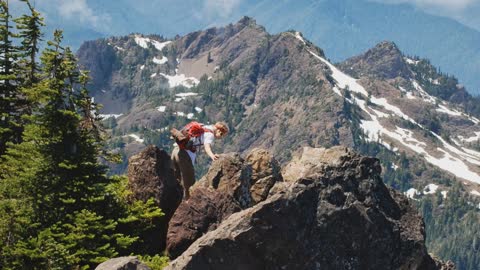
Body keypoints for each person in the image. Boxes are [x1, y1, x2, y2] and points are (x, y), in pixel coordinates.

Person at [171, 121, 229, 200]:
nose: (220, 137)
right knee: (190, 184)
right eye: (222, 135)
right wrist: (212, 156)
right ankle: (188, 204)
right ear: (219, 130)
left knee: (175, 179)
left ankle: (172, 200)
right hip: (185, 156)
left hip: (176, 151)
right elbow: (207, 147)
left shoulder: (203, 126)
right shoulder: (210, 134)